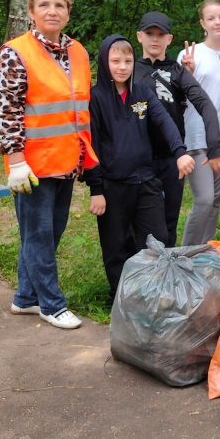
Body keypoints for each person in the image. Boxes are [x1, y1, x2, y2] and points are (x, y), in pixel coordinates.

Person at [0, 0, 98, 330]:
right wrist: (16, 160)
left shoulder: (79, 52)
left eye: (59, 6)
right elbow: (7, 111)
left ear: (68, 12)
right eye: (44, 5)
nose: (52, 11)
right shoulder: (16, 52)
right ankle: (51, 305)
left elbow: (78, 108)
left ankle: (25, 298)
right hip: (33, 165)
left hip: (67, 160)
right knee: (39, 236)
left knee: (50, 233)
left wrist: (85, 157)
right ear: (31, 12)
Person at [86, 35, 195, 303]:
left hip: (146, 180)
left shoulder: (142, 93)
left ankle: (155, 295)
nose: (122, 66)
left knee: (156, 239)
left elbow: (164, 121)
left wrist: (180, 152)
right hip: (113, 185)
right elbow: (91, 144)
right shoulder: (95, 98)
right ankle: (122, 298)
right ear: (104, 61)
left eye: (127, 60)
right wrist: (96, 188)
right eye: (115, 61)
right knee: (115, 245)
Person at [134, 12, 220, 247]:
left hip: (172, 157)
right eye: (149, 34)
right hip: (139, 158)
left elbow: (205, 104)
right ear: (139, 36)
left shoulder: (178, 71)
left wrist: (214, 147)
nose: (155, 39)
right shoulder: (130, 71)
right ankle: (140, 272)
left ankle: (169, 270)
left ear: (169, 39)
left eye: (160, 34)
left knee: (168, 219)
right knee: (141, 220)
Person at [179, 0, 220, 245]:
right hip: (197, 136)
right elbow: (175, 97)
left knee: (215, 201)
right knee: (203, 199)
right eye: (211, 18)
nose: (217, 22)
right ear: (203, 23)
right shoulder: (190, 55)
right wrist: (188, 74)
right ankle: (183, 256)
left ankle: (204, 254)